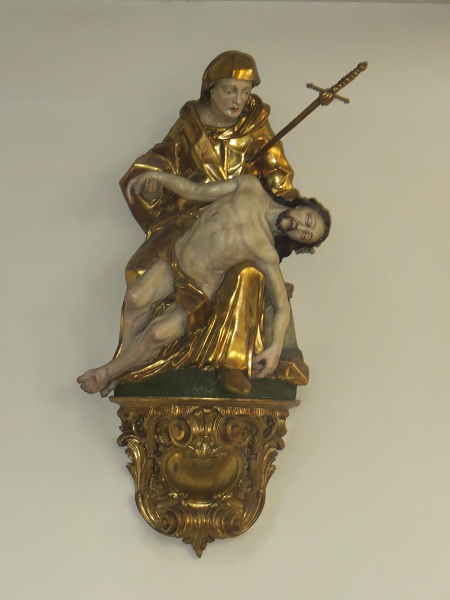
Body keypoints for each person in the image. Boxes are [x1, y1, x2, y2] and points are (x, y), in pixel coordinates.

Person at [116, 51, 311, 395]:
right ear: (211, 89)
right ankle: (132, 362)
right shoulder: (190, 125)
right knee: (139, 274)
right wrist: (152, 179)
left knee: (246, 274)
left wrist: (286, 213)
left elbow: (280, 181)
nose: (239, 100)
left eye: (245, 92)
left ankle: (231, 362)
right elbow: (165, 159)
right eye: (230, 90)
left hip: (237, 230)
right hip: (187, 221)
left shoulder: (257, 129)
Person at [77, 173, 331, 397]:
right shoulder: (250, 187)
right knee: (134, 299)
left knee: (156, 334)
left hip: (198, 291)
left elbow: (282, 304)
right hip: (175, 259)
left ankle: (105, 373)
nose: (301, 228)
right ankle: (119, 371)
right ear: (302, 206)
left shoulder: (266, 251)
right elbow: (195, 191)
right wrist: (160, 178)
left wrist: (275, 348)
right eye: (308, 220)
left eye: (305, 235)